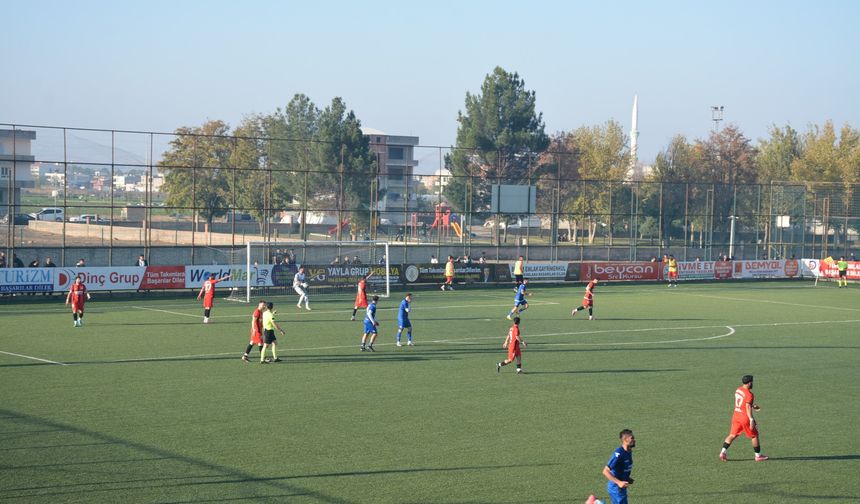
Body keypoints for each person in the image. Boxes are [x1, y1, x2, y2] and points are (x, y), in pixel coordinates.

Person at [720, 375, 768, 462]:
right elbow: (747, 406)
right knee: (754, 435)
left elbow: (744, 402)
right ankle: (758, 456)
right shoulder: (749, 394)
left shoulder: (738, 390)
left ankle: (723, 452)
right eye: (752, 382)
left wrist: (752, 405)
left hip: (736, 416)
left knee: (732, 435)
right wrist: (751, 419)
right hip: (745, 417)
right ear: (749, 383)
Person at [603, 429, 636, 504]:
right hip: (616, 488)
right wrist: (619, 482)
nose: (634, 440)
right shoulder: (618, 453)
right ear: (625, 439)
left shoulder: (628, 451)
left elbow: (621, 468)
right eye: (632, 438)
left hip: (620, 487)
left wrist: (627, 478)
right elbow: (605, 471)